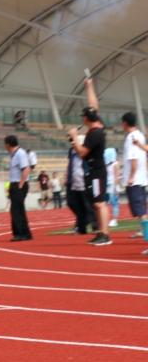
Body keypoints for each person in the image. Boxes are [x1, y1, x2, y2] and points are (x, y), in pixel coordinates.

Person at [68, 79, 110, 246]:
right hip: (94, 170)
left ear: (86, 118)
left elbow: (82, 152)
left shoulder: (94, 133)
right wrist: (90, 86)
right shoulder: (99, 126)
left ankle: (104, 234)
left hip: (96, 172)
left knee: (99, 204)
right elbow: (94, 104)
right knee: (96, 203)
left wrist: (74, 138)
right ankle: (101, 232)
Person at [120, 112, 147, 238]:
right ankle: (143, 230)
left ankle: (146, 234)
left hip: (135, 179)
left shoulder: (131, 137)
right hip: (141, 177)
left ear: (125, 123)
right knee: (140, 206)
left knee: (140, 208)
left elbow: (134, 158)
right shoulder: (140, 135)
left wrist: (131, 176)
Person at [5, 135, 32, 242]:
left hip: (19, 184)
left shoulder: (20, 153)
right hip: (15, 184)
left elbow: (26, 169)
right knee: (19, 209)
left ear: (8, 145)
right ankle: (25, 233)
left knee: (16, 210)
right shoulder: (15, 154)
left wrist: (20, 184)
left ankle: (20, 233)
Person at [104, 147, 119, 227]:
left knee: (114, 203)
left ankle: (115, 220)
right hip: (107, 185)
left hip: (113, 185)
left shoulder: (115, 164)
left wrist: (116, 187)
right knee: (105, 203)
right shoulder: (106, 164)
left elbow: (117, 176)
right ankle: (105, 219)